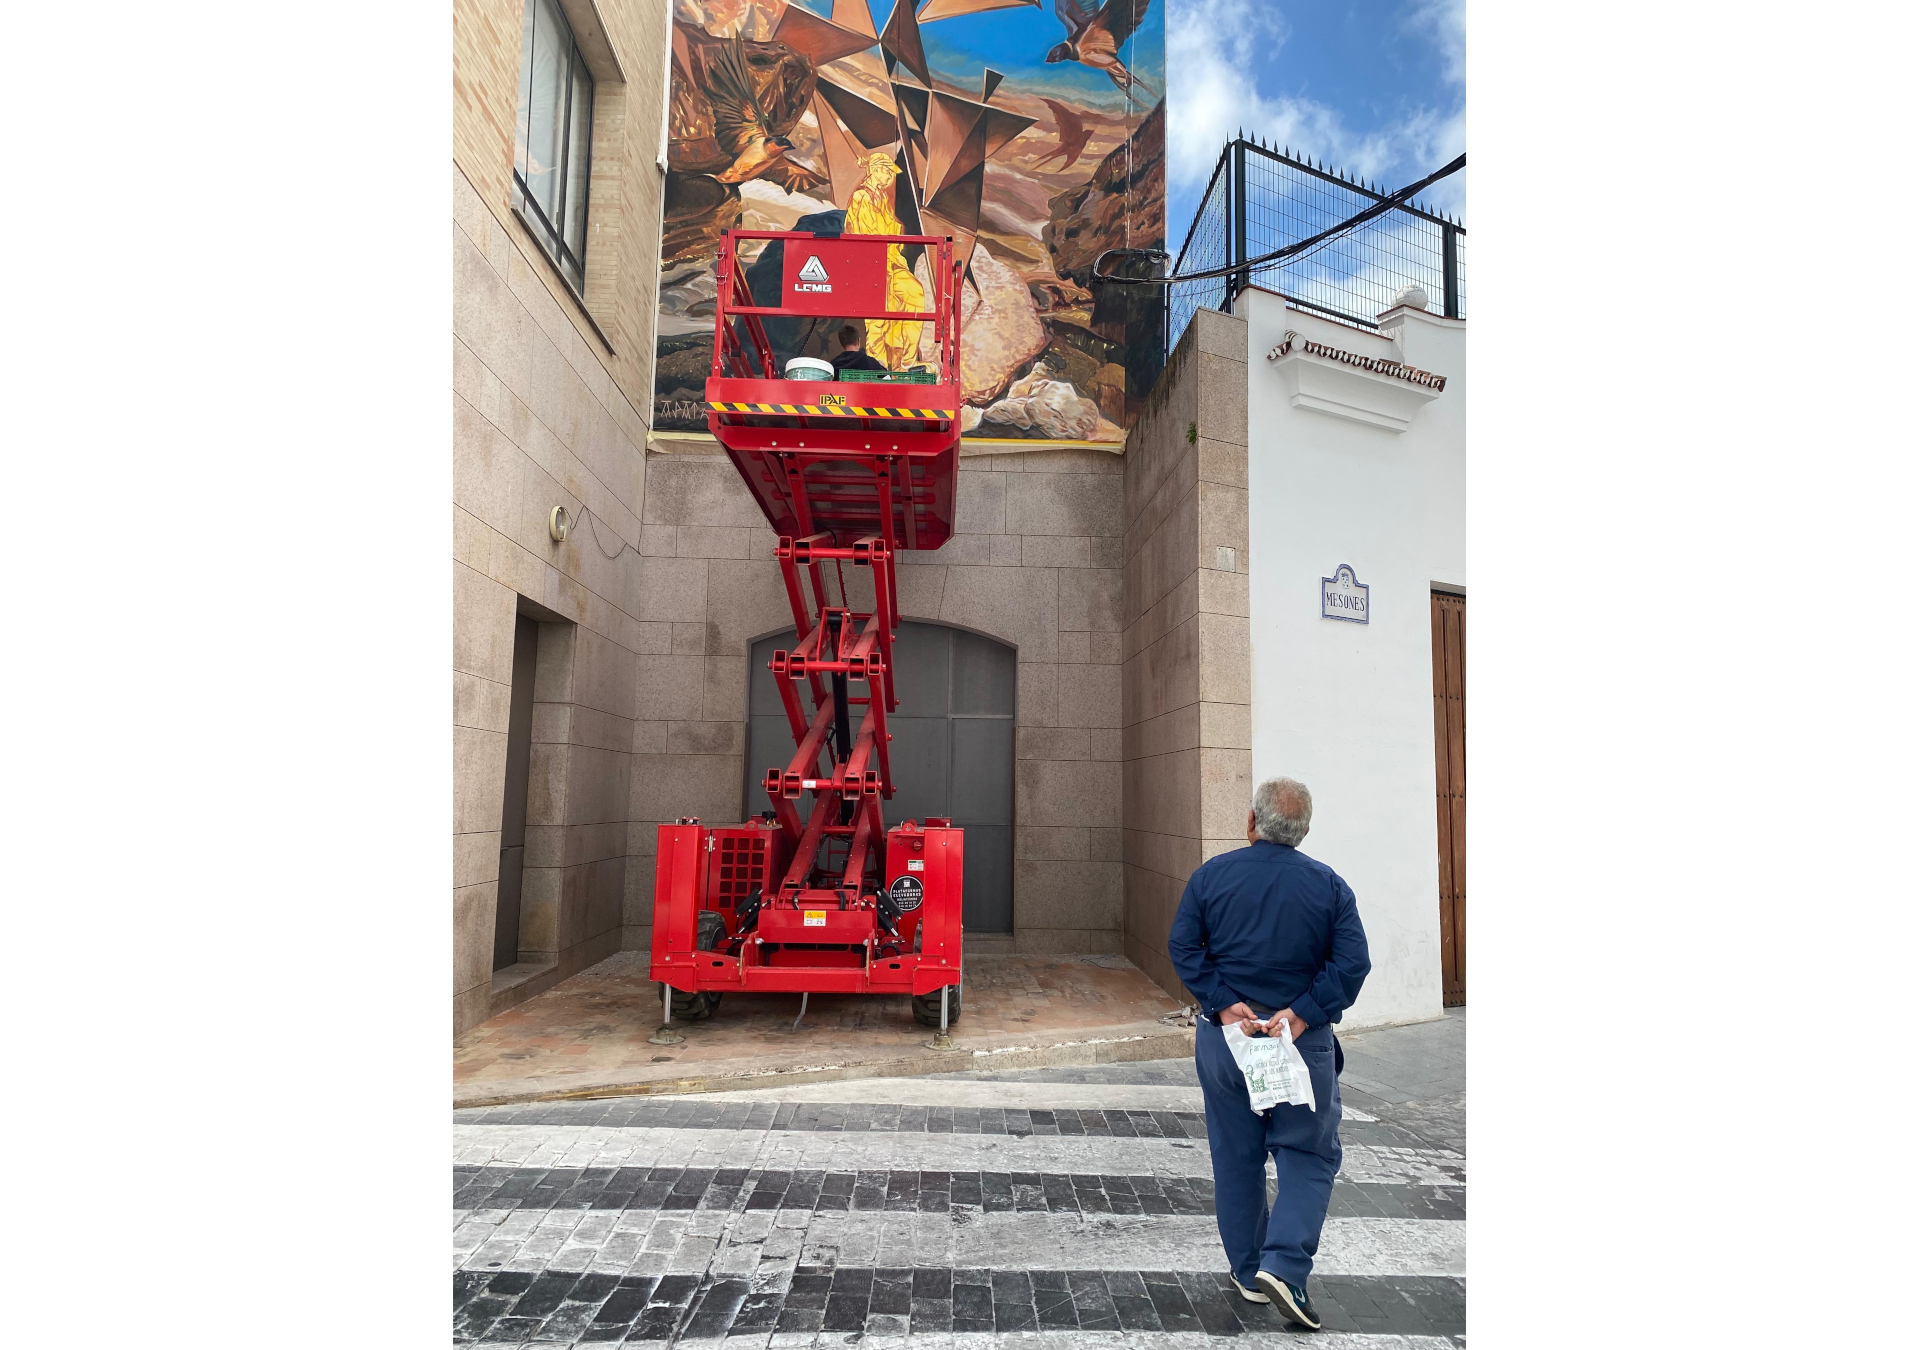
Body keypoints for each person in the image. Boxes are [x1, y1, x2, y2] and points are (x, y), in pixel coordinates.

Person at [1167, 776, 1371, 1330]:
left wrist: (1223, 1001)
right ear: (1303, 831)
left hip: (1228, 1039)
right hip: (1297, 1042)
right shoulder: (1329, 887)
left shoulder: (1211, 878)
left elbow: (1183, 946)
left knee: (1236, 1155)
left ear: (1251, 822)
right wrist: (1304, 1011)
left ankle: (1248, 1268)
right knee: (1309, 1153)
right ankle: (1284, 1265)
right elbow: (1352, 964)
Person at [842, 152, 924, 369]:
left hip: (891, 261)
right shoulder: (861, 198)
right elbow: (864, 236)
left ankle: (906, 361)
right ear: (875, 170)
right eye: (887, 172)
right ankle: (877, 363)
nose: (889, 177)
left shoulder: (885, 200)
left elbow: (894, 234)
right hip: (870, 264)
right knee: (879, 317)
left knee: (914, 294)